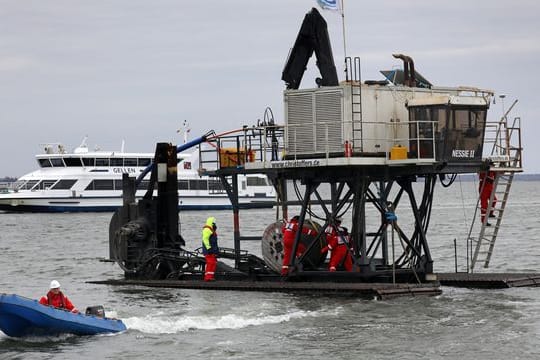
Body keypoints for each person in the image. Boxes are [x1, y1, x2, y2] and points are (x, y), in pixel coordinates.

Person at [202, 216, 219, 281]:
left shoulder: (211, 230)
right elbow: (205, 239)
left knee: (213, 263)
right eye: (214, 223)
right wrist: (209, 248)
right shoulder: (207, 229)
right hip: (209, 250)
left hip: (212, 250)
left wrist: (216, 251)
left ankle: (210, 277)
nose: (215, 224)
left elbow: (214, 242)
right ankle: (207, 277)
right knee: (210, 263)